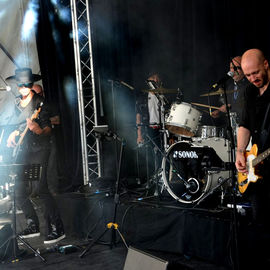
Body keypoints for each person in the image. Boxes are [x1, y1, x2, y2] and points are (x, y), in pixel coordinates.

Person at [5, 68, 65, 244]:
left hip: (40, 149)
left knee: (40, 188)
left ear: (31, 85)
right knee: (18, 189)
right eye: (21, 84)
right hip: (24, 150)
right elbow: (18, 125)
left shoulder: (41, 103)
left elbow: (47, 129)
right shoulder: (18, 103)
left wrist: (39, 130)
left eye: (27, 84)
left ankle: (58, 228)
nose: (24, 87)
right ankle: (33, 224)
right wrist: (13, 134)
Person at [235, 49, 270, 228]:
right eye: (248, 75)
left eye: (255, 72)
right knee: (260, 221)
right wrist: (240, 151)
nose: (252, 78)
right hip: (256, 164)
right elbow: (245, 124)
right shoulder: (250, 91)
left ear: (266, 64)